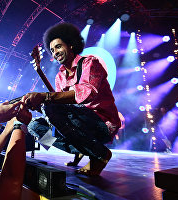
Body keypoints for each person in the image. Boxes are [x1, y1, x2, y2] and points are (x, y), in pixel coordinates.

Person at [24, 23, 121, 176]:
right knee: (34, 127)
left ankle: (101, 154)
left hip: (102, 124)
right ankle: (82, 149)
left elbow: (85, 94)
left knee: (52, 107)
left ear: (70, 45)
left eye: (58, 47)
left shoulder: (90, 63)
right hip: (79, 124)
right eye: (52, 50)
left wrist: (46, 98)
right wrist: (40, 98)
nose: (55, 52)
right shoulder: (60, 77)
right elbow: (60, 106)